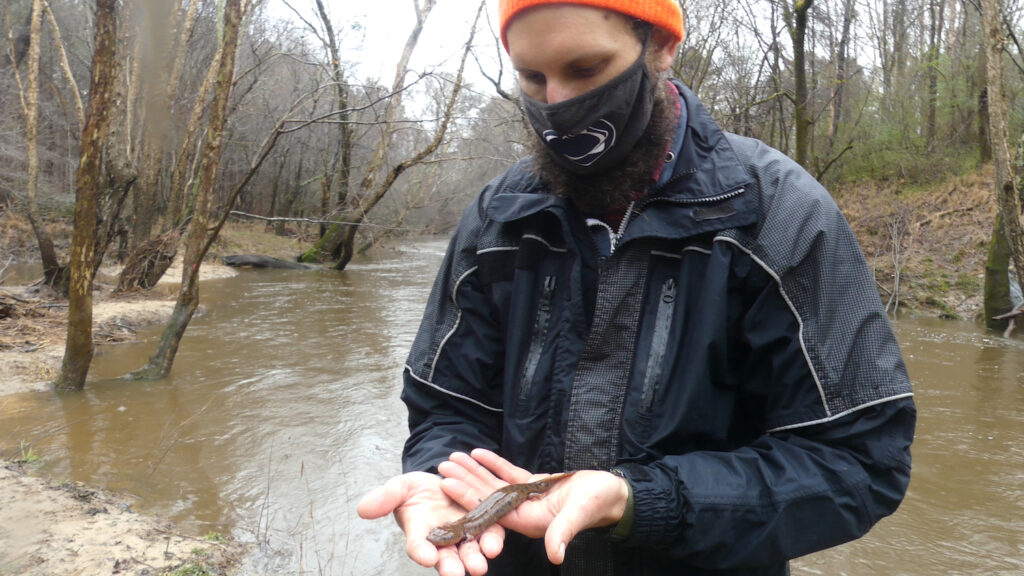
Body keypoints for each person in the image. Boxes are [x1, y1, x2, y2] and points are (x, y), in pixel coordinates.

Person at [357, 1, 916, 575]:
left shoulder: (779, 217)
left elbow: (860, 464)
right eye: (531, 77)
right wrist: (438, 473)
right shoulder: (499, 219)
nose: (556, 105)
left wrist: (639, 501)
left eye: (585, 70)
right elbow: (446, 406)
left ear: (662, 48)